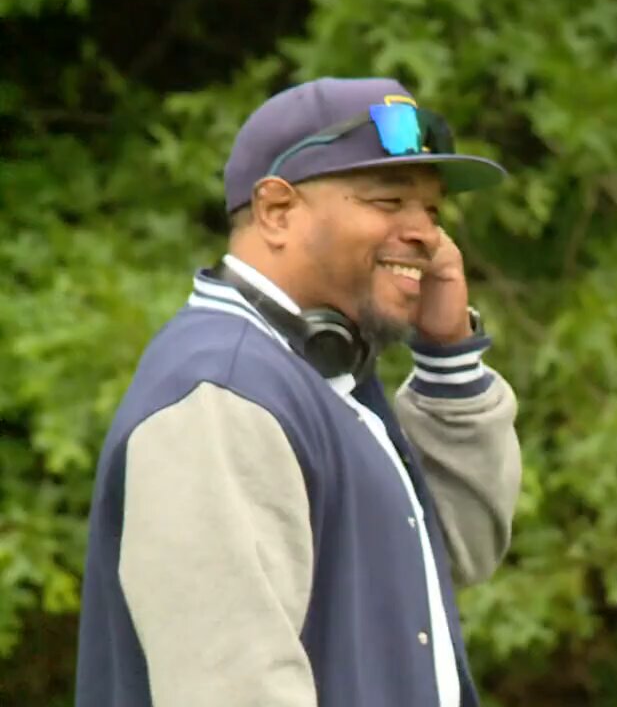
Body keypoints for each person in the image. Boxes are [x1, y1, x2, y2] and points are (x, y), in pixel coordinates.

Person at [75, 77, 523, 707]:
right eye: (389, 201)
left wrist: (448, 358)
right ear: (276, 212)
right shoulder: (222, 393)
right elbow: (232, 690)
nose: (428, 234)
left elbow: (456, 555)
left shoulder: (327, 376)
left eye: (433, 211)